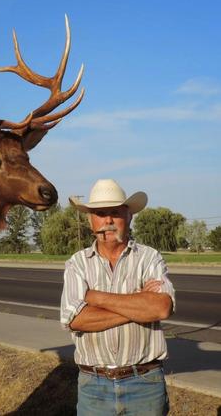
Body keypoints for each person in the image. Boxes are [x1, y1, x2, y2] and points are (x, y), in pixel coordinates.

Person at [60, 178, 175, 416]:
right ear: (91, 220)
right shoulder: (77, 264)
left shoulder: (149, 258)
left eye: (115, 212)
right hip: (93, 387)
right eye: (100, 213)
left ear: (129, 216)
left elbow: (161, 308)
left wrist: (94, 297)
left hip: (145, 383)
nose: (108, 220)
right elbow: (75, 319)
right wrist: (137, 304)